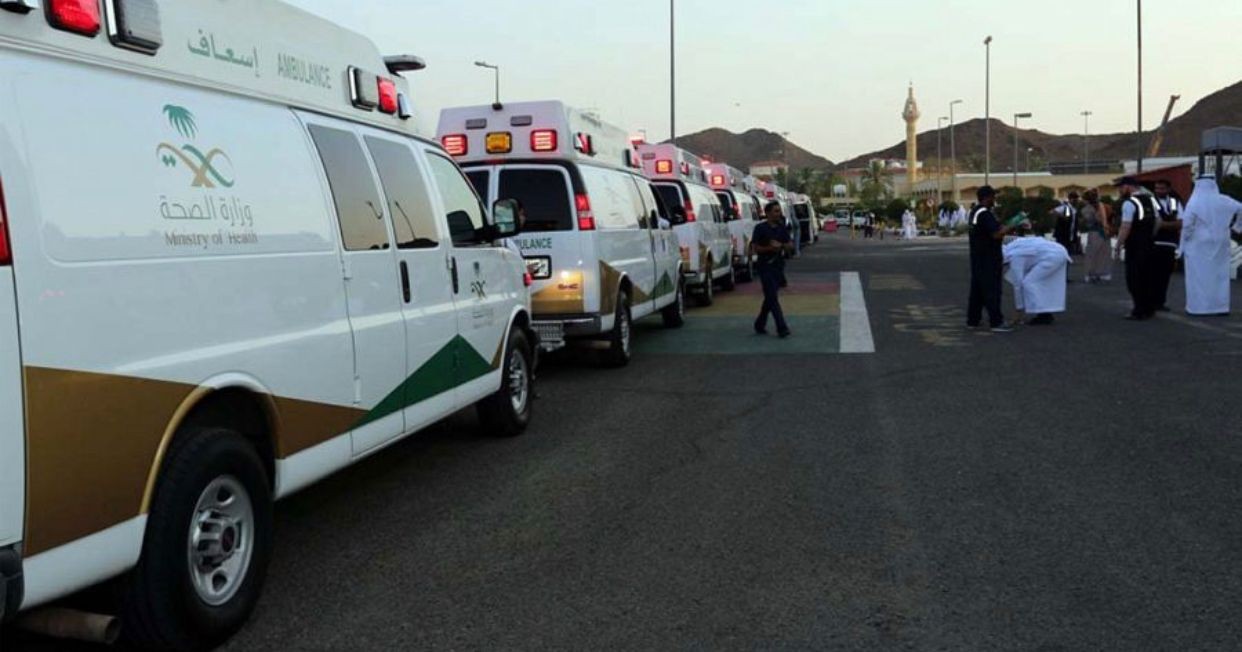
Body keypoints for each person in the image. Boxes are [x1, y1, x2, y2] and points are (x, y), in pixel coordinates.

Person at [1180, 175, 1242, 316]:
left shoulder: (1195, 201)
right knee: (1220, 275)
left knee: (1198, 275)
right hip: (1221, 240)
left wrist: (1185, 240)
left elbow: (1187, 225)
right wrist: (1237, 227)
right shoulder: (1225, 200)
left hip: (1198, 242)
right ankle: (1220, 307)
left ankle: (1199, 307)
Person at [967, 186, 1018, 332]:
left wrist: (1004, 226)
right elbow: (996, 234)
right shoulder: (985, 213)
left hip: (978, 256)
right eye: (993, 196)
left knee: (977, 290)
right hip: (989, 257)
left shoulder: (975, 211)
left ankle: (973, 320)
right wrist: (1013, 224)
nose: (995, 199)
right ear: (987, 197)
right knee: (992, 290)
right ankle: (996, 322)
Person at [1114, 176, 1160, 320]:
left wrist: (1118, 245)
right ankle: (1149, 309)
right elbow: (1158, 221)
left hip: (1135, 245)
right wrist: (1150, 235)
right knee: (1148, 277)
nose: (1120, 191)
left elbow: (1125, 226)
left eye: (1121, 188)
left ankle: (1138, 310)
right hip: (1149, 243)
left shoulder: (1129, 203)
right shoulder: (1151, 200)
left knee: (1134, 278)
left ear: (1128, 186)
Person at [1004, 233, 1072, 325]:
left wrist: (1018, 309)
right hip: (1057, 252)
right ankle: (1045, 313)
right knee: (1035, 282)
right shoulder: (1015, 246)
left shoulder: (1014, 256)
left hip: (1054, 256)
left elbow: (1018, 284)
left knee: (1029, 283)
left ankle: (1043, 315)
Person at [752, 201, 794, 337]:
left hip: (778, 266)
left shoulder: (782, 228)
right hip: (765, 265)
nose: (778, 213)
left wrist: (781, 246)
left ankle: (760, 323)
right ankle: (782, 327)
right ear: (768, 213)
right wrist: (769, 248)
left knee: (770, 297)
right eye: (776, 211)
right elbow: (755, 248)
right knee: (772, 297)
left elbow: (790, 245)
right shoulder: (760, 228)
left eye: (779, 211)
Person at [1151, 179, 1183, 311]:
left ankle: (1160, 302)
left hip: (1170, 244)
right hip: (1154, 243)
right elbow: (1153, 223)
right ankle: (1150, 301)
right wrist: (1171, 224)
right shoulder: (1151, 202)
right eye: (1157, 188)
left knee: (1165, 275)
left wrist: (1162, 224)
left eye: (1162, 188)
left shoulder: (1175, 202)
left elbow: (1181, 223)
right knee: (1152, 275)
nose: (1159, 191)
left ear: (1169, 189)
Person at [1079, 190, 1112, 283]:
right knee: (1103, 253)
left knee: (1091, 254)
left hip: (1094, 232)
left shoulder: (1086, 209)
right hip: (1104, 232)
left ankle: (1090, 274)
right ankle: (1102, 273)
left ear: (1087, 199)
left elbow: (1090, 220)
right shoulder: (1104, 206)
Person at [1052, 192, 1080, 257]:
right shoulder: (1066, 207)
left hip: (1070, 233)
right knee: (1062, 250)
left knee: (1068, 251)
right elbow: (1054, 211)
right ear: (1071, 199)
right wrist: (1062, 217)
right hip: (1063, 234)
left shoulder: (1074, 209)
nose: (1076, 201)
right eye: (1075, 199)